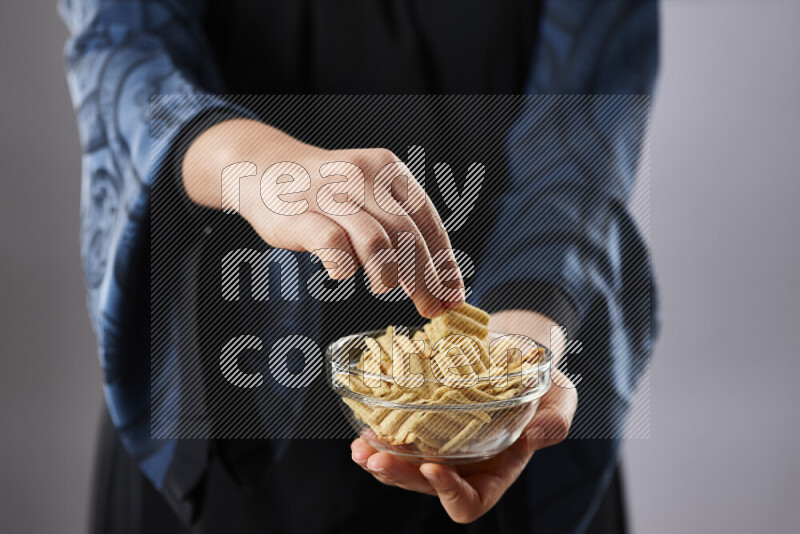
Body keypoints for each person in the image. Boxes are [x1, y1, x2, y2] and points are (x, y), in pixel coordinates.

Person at [61, 0, 658, 532]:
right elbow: (122, 45)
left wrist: (525, 336)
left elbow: (584, 124)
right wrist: (257, 163)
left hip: (496, 442)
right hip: (218, 396)